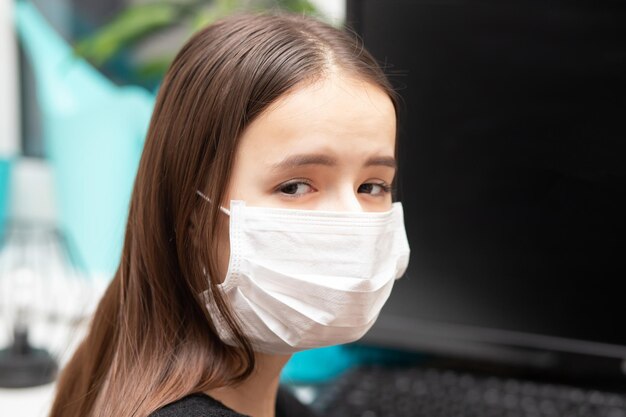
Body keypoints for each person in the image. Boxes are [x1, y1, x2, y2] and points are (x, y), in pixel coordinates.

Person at [49, 11, 410, 417]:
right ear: (192, 216)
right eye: (295, 186)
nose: (353, 222)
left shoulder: (266, 400)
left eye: (372, 186)